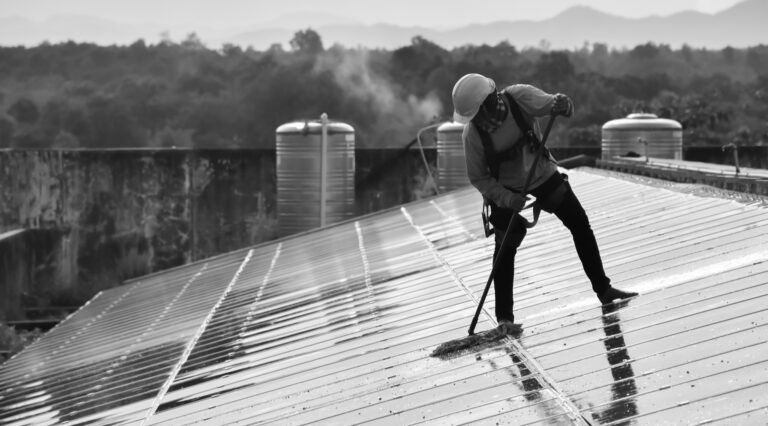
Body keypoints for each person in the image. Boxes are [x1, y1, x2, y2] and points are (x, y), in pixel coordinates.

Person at [452, 73, 637, 331]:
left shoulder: (519, 97)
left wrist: (562, 104)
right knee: (504, 250)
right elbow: (479, 178)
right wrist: (507, 199)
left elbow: (553, 104)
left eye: (479, 113)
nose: (478, 121)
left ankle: (603, 289)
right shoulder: (472, 136)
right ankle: (505, 319)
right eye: (473, 118)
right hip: (505, 189)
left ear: (491, 102)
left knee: (579, 223)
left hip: (541, 173)